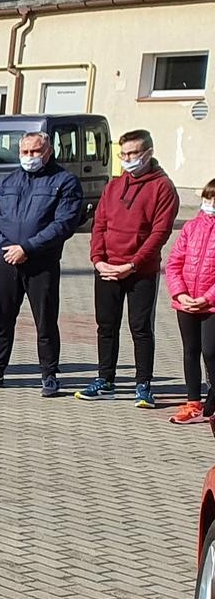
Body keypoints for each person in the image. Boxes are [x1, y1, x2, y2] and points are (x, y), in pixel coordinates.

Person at [0, 131, 86, 396]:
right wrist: (4, 248)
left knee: (45, 321)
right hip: (6, 262)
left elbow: (63, 224)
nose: (29, 157)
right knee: (1, 319)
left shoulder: (64, 182)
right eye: (24, 152)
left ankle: (49, 375)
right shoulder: (8, 182)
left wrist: (28, 248)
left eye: (35, 152)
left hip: (41, 263)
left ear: (48, 152)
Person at [77, 129, 178, 406]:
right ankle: (105, 379)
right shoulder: (114, 186)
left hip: (140, 271)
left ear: (148, 153)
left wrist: (132, 264)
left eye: (133, 153)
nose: (127, 159)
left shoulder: (163, 187)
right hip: (107, 268)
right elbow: (99, 224)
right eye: (123, 154)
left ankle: (143, 384)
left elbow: (160, 233)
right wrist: (98, 260)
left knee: (140, 327)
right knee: (106, 326)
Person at [167, 180, 215, 425]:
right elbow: (174, 263)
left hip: (210, 305)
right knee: (190, 351)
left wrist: (206, 298)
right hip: (186, 302)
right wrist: (180, 294)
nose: (210, 205)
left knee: (211, 351)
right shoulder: (191, 227)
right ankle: (192, 402)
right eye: (207, 200)